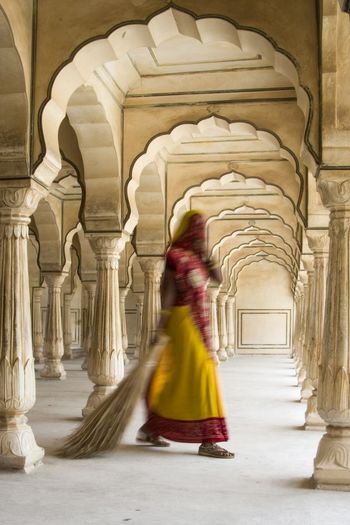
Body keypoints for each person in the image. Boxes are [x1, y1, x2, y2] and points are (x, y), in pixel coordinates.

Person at [136, 210, 234, 458]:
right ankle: (208, 440)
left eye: (203, 230)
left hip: (199, 323)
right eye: (197, 228)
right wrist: (160, 327)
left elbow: (218, 279)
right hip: (181, 320)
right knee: (202, 372)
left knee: (179, 378)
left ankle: (152, 426)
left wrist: (207, 253)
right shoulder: (175, 256)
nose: (201, 233)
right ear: (188, 229)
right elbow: (167, 292)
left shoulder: (199, 259)